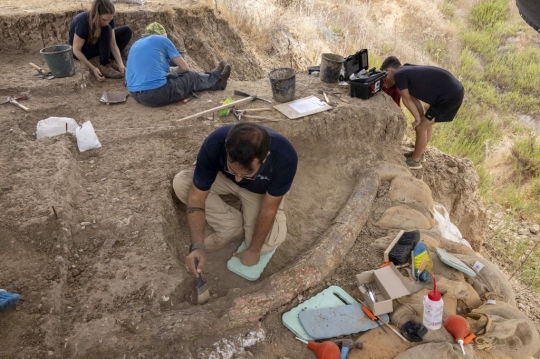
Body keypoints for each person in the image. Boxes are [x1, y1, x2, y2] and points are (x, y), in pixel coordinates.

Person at [172, 123, 298, 277]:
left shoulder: (285, 158)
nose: (238, 179)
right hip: (223, 180)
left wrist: (254, 250)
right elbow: (196, 196)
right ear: (227, 150)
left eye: (246, 174)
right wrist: (197, 246)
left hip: (260, 192)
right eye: (232, 169)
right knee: (182, 183)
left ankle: (246, 212)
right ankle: (231, 225)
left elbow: (269, 208)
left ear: (265, 157)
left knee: (267, 245)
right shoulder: (215, 142)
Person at [381, 56, 464, 169]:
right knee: (425, 124)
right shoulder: (406, 70)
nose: (385, 80)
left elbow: (406, 99)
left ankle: (415, 161)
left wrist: (417, 120)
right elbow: (413, 97)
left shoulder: (398, 75)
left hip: (449, 97)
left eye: (384, 75)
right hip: (451, 91)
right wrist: (420, 116)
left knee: (420, 127)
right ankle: (420, 153)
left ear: (389, 70)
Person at [125, 22, 231, 107]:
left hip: (135, 95)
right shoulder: (162, 40)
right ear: (163, 35)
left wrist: (170, 71)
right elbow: (185, 68)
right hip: (155, 95)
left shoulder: (136, 43)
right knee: (191, 76)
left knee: (179, 77)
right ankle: (218, 79)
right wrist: (173, 70)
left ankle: (217, 79)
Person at [68, 0, 132, 81]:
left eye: (109, 20)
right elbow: (76, 50)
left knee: (126, 31)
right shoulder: (82, 21)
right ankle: (104, 65)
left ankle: (110, 62)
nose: (107, 22)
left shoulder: (107, 20)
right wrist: (93, 68)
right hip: (83, 50)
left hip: (97, 42)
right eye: (104, 20)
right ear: (96, 14)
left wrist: (120, 64)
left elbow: (113, 44)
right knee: (106, 29)